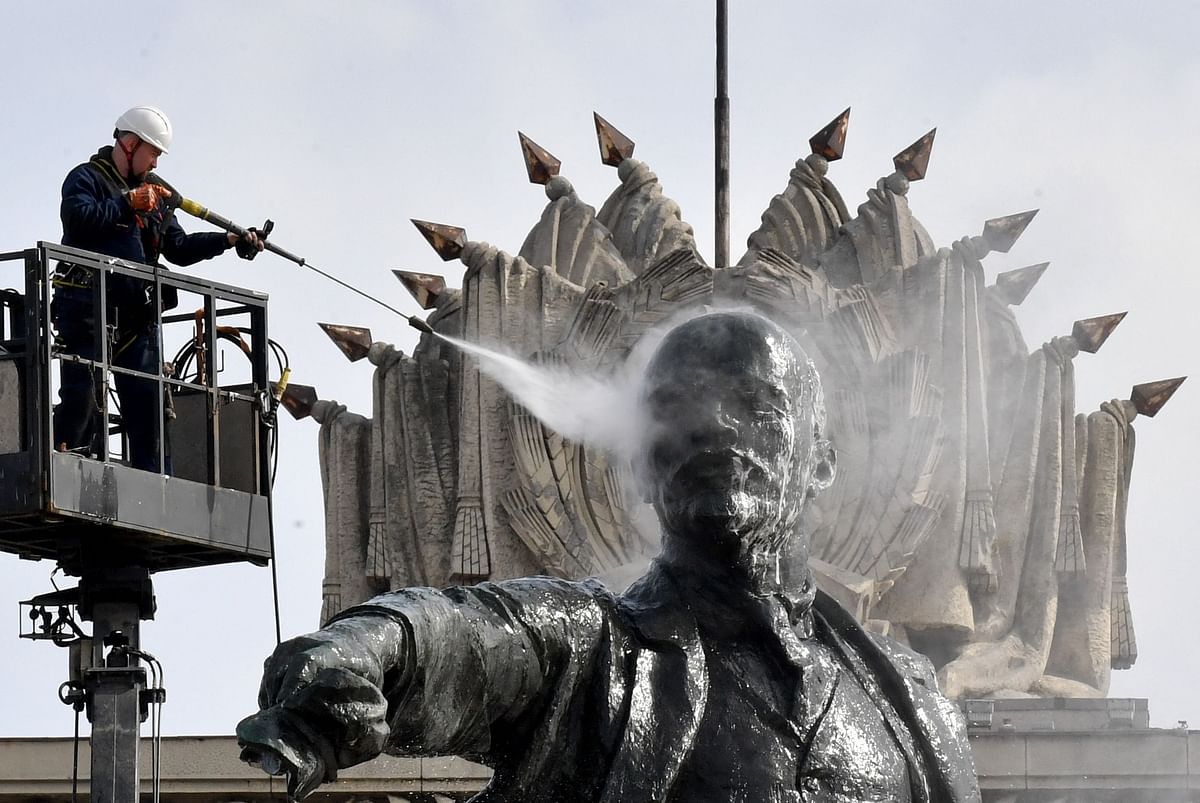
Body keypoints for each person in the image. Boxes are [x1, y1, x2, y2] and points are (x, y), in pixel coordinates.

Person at [236, 311, 980, 803]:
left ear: (820, 460)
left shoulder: (915, 707)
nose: (712, 427)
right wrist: (371, 645)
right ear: (640, 469)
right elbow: (465, 633)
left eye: (754, 405)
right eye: (676, 407)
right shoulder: (591, 651)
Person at [52, 104, 264, 472]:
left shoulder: (156, 194)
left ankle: (153, 487)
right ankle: (66, 467)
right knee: (81, 403)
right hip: (86, 312)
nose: (156, 164)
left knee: (149, 412)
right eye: (153, 154)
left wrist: (228, 240)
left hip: (135, 320)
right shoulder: (86, 178)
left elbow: (178, 249)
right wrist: (124, 204)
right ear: (131, 144)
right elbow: (78, 219)